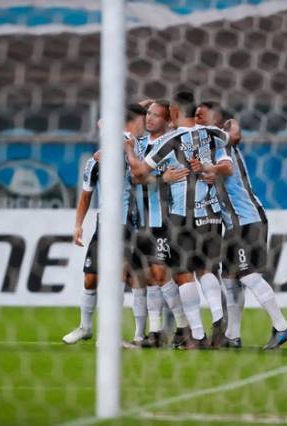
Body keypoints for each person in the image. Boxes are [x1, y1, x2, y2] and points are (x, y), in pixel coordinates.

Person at [124, 91, 232, 349]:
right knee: (205, 269)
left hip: (183, 215)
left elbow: (139, 171)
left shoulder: (171, 141)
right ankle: (218, 315)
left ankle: (196, 334)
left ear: (173, 112)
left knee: (183, 274)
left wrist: (128, 149)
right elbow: (230, 136)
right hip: (212, 213)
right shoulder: (213, 133)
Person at [194, 101, 287, 350]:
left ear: (215, 121)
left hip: (247, 219)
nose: (196, 118)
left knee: (248, 275)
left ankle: (282, 326)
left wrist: (210, 169)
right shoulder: (208, 145)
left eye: (201, 115)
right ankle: (232, 336)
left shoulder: (221, 143)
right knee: (230, 279)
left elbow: (226, 167)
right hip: (232, 224)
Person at [62, 104, 148, 345]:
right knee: (91, 276)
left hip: (127, 223)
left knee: (125, 277)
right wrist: (78, 224)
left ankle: (127, 335)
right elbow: (86, 194)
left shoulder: (139, 146)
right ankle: (85, 327)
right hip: (104, 223)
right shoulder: (98, 159)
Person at [130, 99, 193, 348]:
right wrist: (160, 177)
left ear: (167, 121)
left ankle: (183, 327)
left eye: (156, 115)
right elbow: (134, 179)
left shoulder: (172, 144)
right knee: (149, 277)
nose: (149, 118)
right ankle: (156, 333)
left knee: (161, 274)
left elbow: (144, 177)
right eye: (148, 114)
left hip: (164, 220)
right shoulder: (140, 144)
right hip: (141, 221)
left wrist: (155, 178)